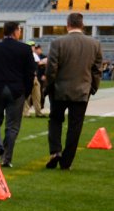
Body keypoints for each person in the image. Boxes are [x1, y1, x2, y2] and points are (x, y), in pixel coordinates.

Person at [44, 12, 102, 170]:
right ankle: (66, 162)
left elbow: (51, 69)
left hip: (59, 90)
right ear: (82, 25)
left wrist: (48, 87)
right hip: (82, 90)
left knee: (55, 121)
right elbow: (97, 70)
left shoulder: (58, 42)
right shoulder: (94, 44)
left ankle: (55, 151)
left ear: (67, 24)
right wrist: (92, 88)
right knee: (75, 126)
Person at [0, 23, 36, 170]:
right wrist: (26, 92)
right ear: (16, 31)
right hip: (16, 90)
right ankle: (6, 159)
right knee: (12, 126)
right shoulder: (24, 49)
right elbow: (30, 73)